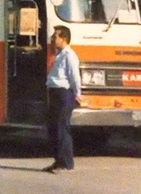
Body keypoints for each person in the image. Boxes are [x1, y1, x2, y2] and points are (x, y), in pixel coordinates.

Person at [44, 25, 83, 173]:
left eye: (55, 36)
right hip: (55, 93)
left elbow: (74, 77)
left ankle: (65, 163)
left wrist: (78, 93)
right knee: (53, 127)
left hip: (64, 94)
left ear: (64, 39)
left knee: (61, 128)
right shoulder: (59, 55)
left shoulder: (69, 56)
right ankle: (58, 160)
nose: (53, 39)